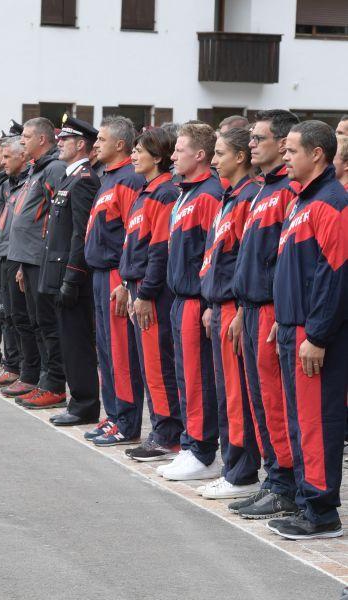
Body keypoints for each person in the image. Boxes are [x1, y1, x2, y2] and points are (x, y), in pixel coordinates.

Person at [268, 120, 347, 540]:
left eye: (292, 150)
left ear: (317, 154)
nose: (285, 156)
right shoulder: (302, 200)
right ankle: (306, 500)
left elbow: (335, 276)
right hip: (292, 327)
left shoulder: (332, 203)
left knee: (317, 422)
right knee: (300, 422)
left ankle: (321, 512)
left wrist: (316, 335)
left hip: (312, 335)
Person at [229, 109, 302, 519]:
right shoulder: (262, 189)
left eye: (259, 138)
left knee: (276, 402)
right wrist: (241, 308)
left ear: (282, 141)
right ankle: (273, 478)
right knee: (259, 401)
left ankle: (286, 484)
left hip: (273, 309)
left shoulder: (288, 191)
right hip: (251, 308)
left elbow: (283, 260)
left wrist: (279, 311)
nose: (251, 144)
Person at [198, 127, 262, 500]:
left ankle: (241, 471)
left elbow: (243, 260)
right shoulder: (229, 195)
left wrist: (236, 307)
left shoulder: (247, 197)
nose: (214, 159)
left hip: (234, 307)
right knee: (227, 393)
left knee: (237, 395)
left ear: (240, 157)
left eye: (220, 153)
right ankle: (233, 465)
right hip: (218, 304)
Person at [157, 122, 224, 482]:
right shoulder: (185, 191)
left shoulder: (210, 194)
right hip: (179, 295)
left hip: (197, 299)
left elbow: (213, 251)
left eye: (179, 150)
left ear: (200, 155)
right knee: (185, 376)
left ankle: (202, 450)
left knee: (198, 377)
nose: (173, 156)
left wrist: (207, 299)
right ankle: (190, 443)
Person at [120, 127, 184, 462]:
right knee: (150, 366)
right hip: (139, 287)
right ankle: (160, 427)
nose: (132, 155)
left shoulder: (164, 194)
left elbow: (159, 250)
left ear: (158, 157)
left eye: (139, 150)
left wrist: (145, 292)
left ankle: (167, 433)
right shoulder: (148, 192)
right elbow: (134, 243)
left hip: (154, 294)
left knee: (159, 366)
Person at [83, 115, 145, 441]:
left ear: (120, 144)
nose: (95, 144)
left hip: (114, 277)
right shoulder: (108, 177)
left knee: (121, 352)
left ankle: (126, 422)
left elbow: (133, 236)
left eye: (101, 139)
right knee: (105, 352)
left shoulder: (130, 180)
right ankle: (113, 415)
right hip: (98, 275)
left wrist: (124, 282)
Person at [37, 117, 101, 426]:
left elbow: (81, 234)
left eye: (65, 140)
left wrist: (72, 277)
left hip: (72, 276)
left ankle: (85, 404)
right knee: (67, 340)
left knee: (77, 343)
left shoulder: (85, 179)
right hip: (58, 272)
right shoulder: (69, 177)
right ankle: (79, 400)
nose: (59, 143)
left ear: (80, 145)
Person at [8, 117, 68, 410]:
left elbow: (58, 216)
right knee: (35, 322)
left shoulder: (54, 169)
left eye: (27, 137)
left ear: (43, 140)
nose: (22, 141)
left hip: (43, 260)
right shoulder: (38, 168)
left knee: (47, 323)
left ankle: (54, 383)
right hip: (28, 260)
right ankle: (44, 379)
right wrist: (21, 263)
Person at [0, 136, 28, 390]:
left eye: (4, 156)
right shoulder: (7, 183)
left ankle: (19, 367)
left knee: (16, 316)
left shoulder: (22, 183)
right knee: (6, 313)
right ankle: (13, 364)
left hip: (13, 257)